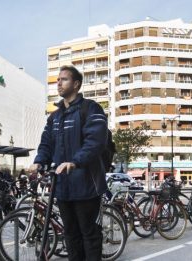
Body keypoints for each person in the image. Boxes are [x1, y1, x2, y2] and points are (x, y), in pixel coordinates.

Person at [32, 65, 108, 260]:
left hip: (87, 185)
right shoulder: (55, 117)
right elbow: (46, 143)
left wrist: (75, 162)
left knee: (89, 235)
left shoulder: (91, 108)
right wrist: (39, 161)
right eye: (58, 80)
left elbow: (95, 142)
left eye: (64, 79)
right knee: (70, 235)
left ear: (76, 84)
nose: (58, 83)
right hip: (63, 186)